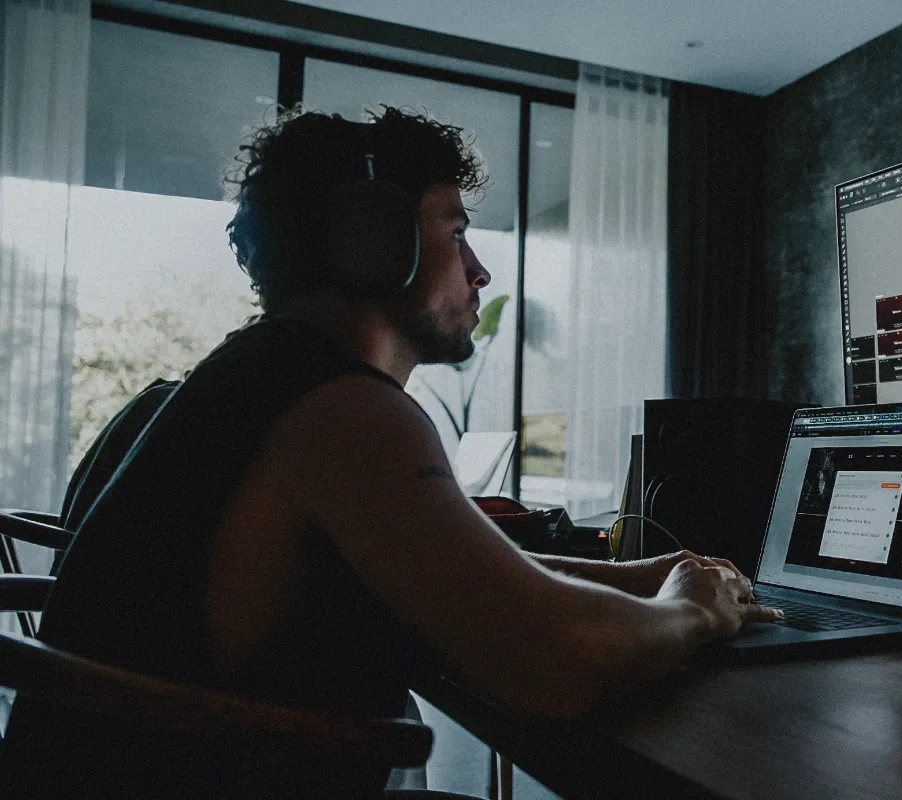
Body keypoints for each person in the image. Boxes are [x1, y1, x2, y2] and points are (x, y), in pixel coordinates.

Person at [0, 106, 779, 798]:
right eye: (456, 231)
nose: (480, 272)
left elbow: (441, 569)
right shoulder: (342, 411)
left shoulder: (269, 375)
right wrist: (690, 613)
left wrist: (635, 576)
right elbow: (552, 660)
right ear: (375, 242)